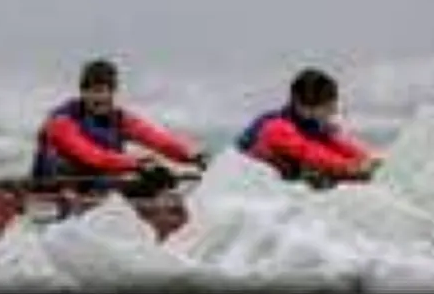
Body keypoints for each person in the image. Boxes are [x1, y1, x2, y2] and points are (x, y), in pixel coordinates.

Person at [30, 58, 209, 196]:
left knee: (155, 180)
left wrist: (190, 156)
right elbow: (92, 156)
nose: (100, 98)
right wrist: (138, 164)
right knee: (138, 173)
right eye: (93, 91)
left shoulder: (121, 119)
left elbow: (158, 140)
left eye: (105, 91)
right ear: (83, 92)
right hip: (58, 189)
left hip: (99, 184)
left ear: (113, 92)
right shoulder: (61, 121)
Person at [236, 67, 381, 189]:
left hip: (282, 180)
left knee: (348, 174)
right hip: (247, 186)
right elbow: (309, 151)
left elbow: (336, 145)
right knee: (318, 171)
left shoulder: (311, 125)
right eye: (329, 106)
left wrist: (368, 158)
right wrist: (350, 166)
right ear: (304, 108)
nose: (334, 110)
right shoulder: (277, 128)